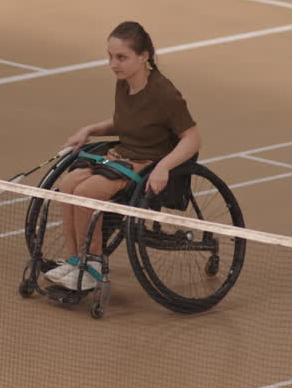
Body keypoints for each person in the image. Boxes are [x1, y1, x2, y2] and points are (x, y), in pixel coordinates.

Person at [45, 21, 200, 291]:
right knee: (68, 185)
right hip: (120, 155)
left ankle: (92, 266)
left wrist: (164, 167)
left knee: (87, 193)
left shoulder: (164, 94)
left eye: (121, 57)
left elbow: (193, 139)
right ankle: (75, 260)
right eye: (110, 57)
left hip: (145, 163)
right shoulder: (124, 84)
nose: (113, 64)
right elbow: (126, 123)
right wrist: (89, 130)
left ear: (143, 56)